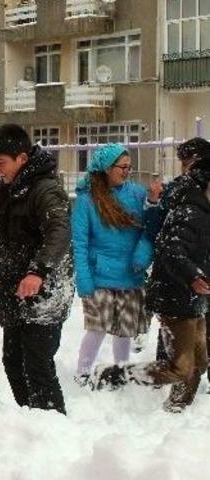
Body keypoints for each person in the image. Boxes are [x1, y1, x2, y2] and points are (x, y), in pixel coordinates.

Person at [0, 124, 73, 415]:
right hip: (14, 290)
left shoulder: (45, 190)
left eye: (1, 163)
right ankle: (28, 421)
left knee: (37, 364)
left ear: (21, 158)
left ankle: (51, 425)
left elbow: (59, 231)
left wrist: (38, 272)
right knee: (13, 362)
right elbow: (4, 230)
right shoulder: (10, 189)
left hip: (43, 291)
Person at [92, 157, 210, 412]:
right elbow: (170, 248)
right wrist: (194, 276)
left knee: (198, 361)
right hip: (175, 297)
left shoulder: (201, 208)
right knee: (182, 366)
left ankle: (176, 407)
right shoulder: (191, 212)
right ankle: (114, 376)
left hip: (193, 296)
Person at [71, 144, 155, 386]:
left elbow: (149, 230)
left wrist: (142, 256)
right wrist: (84, 278)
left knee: (125, 330)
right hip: (100, 276)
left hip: (131, 274)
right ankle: (83, 373)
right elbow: (80, 243)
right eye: (122, 167)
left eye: (130, 167)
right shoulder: (87, 201)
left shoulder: (138, 195)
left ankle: (120, 372)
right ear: (107, 168)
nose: (127, 171)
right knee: (97, 328)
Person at [146, 138, 210, 383]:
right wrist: (153, 204)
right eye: (185, 163)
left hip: (197, 276)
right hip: (179, 280)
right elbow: (160, 236)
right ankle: (144, 386)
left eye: (192, 162)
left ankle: (179, 401)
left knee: (196, 357)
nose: (187, 168)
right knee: (178, 355)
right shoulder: (181, 195)